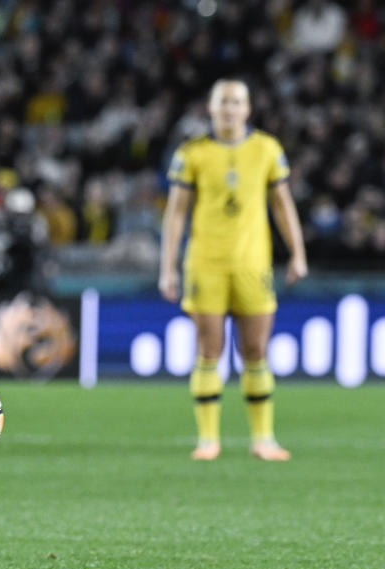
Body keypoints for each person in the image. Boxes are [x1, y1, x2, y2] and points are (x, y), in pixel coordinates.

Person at [159, 78, 309, 462]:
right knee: (209, 349)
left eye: (236, 101)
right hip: (205, 264)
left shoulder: (266, 149)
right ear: (211, 109)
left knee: (256, 349)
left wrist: (297, 252)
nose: (229, 108)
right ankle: (208, 439)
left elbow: (282, 205)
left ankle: (264, 438)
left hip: (252, 264)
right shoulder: (192, 153)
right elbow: (175, 214)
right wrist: (168, 267)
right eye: (223, 102)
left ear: (248, 109)